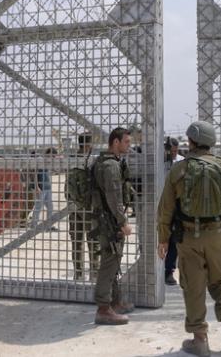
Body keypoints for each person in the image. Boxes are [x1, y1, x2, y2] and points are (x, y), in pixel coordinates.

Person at [157, 121, 221, 356]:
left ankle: (200, 340)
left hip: (188, 237)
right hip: (217, 235)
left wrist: (163, 238)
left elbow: (165, 208)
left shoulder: (179, 169)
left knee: (193, 286)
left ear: (192, 142)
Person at [91, 127, 135, 325]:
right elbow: (113, 197)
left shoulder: (106, 162)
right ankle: (103, 308)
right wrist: (123, 221)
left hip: (106, 219)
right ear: (115, 142)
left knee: (114, 260)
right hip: (109, 221)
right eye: (126, 142)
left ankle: (115, 303)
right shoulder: (110, 166)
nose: (129, 145)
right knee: (109, 262)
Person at [69, 133, 98, 280]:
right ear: (88, 145)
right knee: (92, 240)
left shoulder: (71, 159)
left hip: (73, 206)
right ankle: (93, 272)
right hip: (88, 206)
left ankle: (79, 273)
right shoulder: (91, 161)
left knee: (76, 242)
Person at [164, 136, 181, 286]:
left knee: (174, 240)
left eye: (176, 151)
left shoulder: (182, 162)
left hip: (176, 207)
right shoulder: (159, 162)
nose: (174, 154)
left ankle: (169, 271)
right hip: (160, 206)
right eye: (172, 151)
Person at [30, 147, 57, 230]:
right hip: (41, 187)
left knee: (50, 207)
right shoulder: (40, 160)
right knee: (38, 206)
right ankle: (33, 226)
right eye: (52, 156)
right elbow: (34, 173)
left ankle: (48, 225)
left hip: (47, 187)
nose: (53, 158)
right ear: (48, 154)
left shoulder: (48, 162)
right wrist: (37, 187)